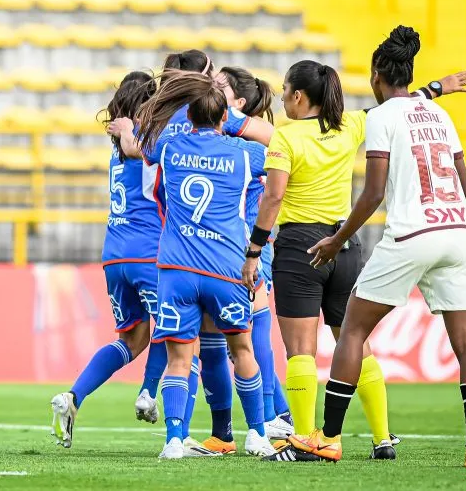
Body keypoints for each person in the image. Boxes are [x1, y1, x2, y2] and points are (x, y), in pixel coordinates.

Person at [242, 60, 466, 462]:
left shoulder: (285, 137)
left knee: (301, 349)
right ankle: (382, 438)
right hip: (344, 245)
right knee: (355, 341)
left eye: (284, 90)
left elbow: (273, 197)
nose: (281, 97)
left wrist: (255, 250)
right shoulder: (349, 125)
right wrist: (438, 87)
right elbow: (401, 104)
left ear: (299, 96)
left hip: (301, 246)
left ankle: (305, 438)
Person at [111, 50, 274, 456]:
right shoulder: (243, 154)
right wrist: (238, 122)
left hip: (176, 269)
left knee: (179, 360)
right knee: (243, 351)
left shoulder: (167, 147)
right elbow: (279, 143)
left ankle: (172, 441)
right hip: (225, 268)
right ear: (223, 118)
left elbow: (139, 146)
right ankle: (257, 433)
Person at [51, 71, 177, 449]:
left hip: (114, 256)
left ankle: (73, 397)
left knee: (131, 338)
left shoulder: (116, 147)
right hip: (150, 252)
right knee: (172, 330)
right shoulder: (149, 142)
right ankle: (148, 393)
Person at [198, 67, 293, 454]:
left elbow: (281, 148)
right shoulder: (232, 143)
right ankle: (271, 415)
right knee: (230, 339)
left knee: (252, 330)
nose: (212, 90)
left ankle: (270, 415)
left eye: (220, 88)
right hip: (226, 251)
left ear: (237, 103)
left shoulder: (251, 147)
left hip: (253, 249)